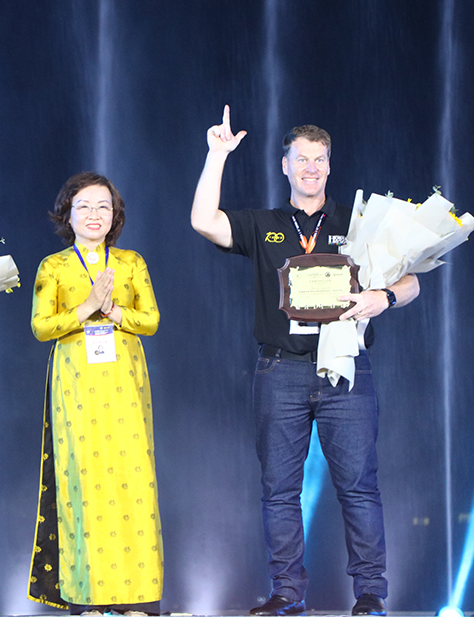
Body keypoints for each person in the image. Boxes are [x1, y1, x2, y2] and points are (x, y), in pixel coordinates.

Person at [190, 106, 420, 616]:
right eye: (302, 158)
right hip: (281, 371)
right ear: (285, 165)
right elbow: (203, 221)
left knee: (359, 487)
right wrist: (217, 154)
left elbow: (413, 278)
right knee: (278, 491)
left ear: (330, 166)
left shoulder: (358, 222)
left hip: (345, 371)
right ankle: (287, 594)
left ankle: (370, 594)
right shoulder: (264, 225)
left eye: (320, 159)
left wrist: (385, 296)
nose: (311, 167)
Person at [28, 173, 163, 616]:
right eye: (84, 206)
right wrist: (86, 308)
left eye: (103, 206)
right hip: (76, 386)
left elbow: (151, 320)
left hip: (125, 383)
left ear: (114, 215)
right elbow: (41, 327)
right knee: (81, 480)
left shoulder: (130, 262)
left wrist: (115, 310)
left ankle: (136, 597)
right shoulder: (54, 266)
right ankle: (87, 597)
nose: (93, 214)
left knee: (131, 480)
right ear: (68, 213)